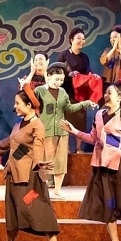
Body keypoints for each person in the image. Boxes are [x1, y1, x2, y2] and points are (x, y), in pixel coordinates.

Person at [59, 79, 121, 241]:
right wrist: (74, 131)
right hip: (102, 166)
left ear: (120, 97)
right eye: (106, 92)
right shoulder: (99, 115)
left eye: (110, 93)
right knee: (108, 205)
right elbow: (93, 138)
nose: (106, 95)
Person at [0, 90, 63, 241]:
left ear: (28, 105)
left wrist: (38, 162)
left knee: (40, 211)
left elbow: (38, 146)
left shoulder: (37, 125)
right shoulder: (19, 123)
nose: (14, 106)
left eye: (17, 103)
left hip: (29, 179)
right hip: (13, 175)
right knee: (12, 214)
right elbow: (12, 141)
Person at [31, 62, 96, 198]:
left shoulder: (62, 92)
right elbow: (31, 105)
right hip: (46, 130)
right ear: (48, 76)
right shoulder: (40, 91)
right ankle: (42, 189)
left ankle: (57, 189)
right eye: (56, 79)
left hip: (61, 130)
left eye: (61, 80)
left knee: (61, 161)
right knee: (46, 160)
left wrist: (85, 103)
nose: (59, 82)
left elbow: (69, 108)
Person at [57, 27, 102, 154]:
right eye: (78, 38)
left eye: (83, 39)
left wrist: (93, 76)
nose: (81, 41)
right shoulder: (64, 55)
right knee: (66, 118)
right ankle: (66, 147)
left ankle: (78, 148)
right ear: (71, 39)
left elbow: (88, 71)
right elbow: (58, 71)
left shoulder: (84, 57)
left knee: (80, 119)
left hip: (81, 93)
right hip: (67, 91)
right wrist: (69, 74)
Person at [99, 25, 121, 92]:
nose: (112, 39)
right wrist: (113, 49)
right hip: (108, 85)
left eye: (115, 37)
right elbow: (103, 61)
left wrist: (120, 48)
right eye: (111, 38)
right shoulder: (108, 51)